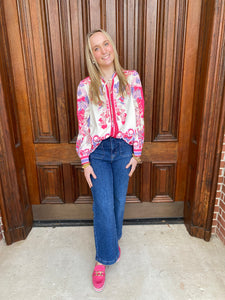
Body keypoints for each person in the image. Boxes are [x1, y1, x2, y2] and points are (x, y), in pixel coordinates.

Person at [76, 29, 144, 292]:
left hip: (124, 150)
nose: (103, 50)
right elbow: (83, 125)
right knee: (102, 205)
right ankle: (102, 259)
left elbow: (139, 115)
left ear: (112, 47)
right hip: (99, 153)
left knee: (117, 203)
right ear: (91, 56)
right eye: (96, 48)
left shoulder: (131, 79)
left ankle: (111, 239)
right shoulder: (85, 86)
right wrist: (85, 161)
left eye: (106, 44)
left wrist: (137, 153)